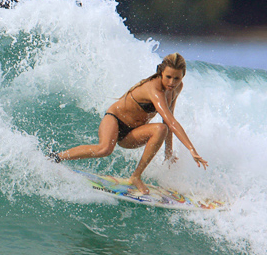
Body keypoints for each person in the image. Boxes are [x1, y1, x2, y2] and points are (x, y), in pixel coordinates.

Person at [49, 53, 208, 194]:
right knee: (104, 149)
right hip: (114, 121)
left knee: (161, 128)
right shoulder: (154, 88)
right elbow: (171, 121)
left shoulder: (176, 88)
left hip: (133, 133)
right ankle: (56, 157)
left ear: (183, 76)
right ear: (161, 73)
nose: (172, 82)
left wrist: (169, 151)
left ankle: (135, 177)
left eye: (177, 78)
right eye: (168, 77)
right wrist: (191, 149)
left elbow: (168, 118)